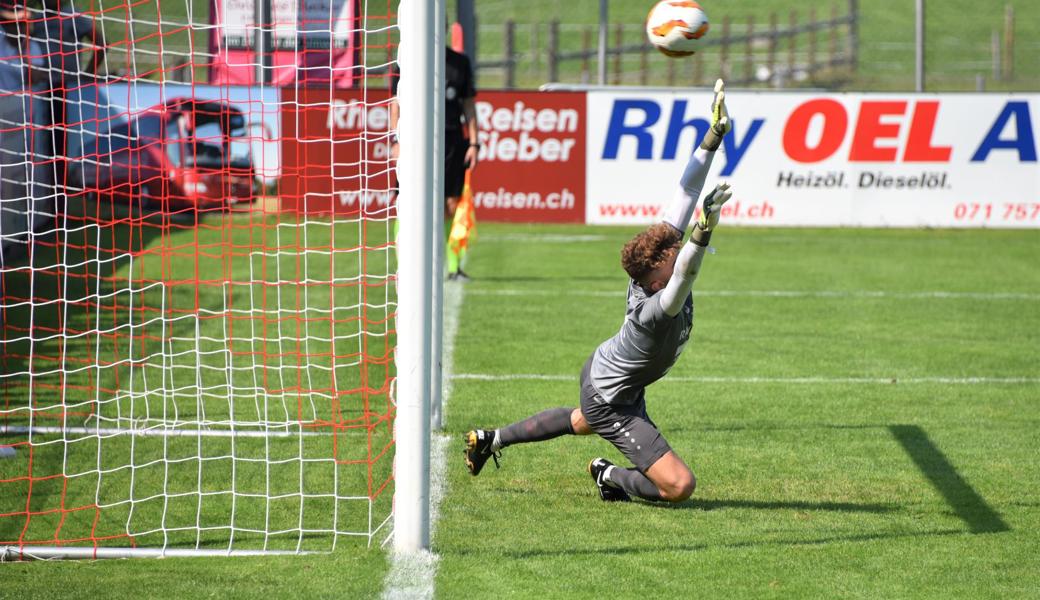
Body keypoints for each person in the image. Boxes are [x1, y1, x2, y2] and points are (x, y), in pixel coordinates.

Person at [463, 80, 734, 504]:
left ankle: (491, 438)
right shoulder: (656, 309)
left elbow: (685, 192)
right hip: (611, 397)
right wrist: (705, 229)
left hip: (608, 379)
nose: (675, 246)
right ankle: (611, 477)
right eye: (671, 251)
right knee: (679, 486)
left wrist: (711, 139)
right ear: (656, 279)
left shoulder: (653, 270)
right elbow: (686, 273)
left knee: (582, 419)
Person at [389, 46, 480, 281]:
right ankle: (404, 267)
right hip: (413, 140)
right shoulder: (406, 59)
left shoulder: (459, 63)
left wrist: (474, 144)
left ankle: (453, 267)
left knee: (451, 204)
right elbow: (395, 104)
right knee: (407, 202)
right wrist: (395, 139)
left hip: (451, 141)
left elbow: (468, 105)